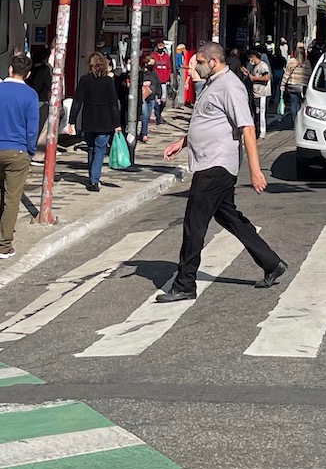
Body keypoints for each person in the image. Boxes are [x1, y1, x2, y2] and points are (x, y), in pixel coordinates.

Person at [156, 41, 287, 301]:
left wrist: (255, 170)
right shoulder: (213, 83)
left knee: (194, 224)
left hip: (215, 165)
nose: (195, 67)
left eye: (199, 62)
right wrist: (182, 142)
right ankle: (271, 262)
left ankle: (184, 284)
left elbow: (247, 127)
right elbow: (208, 121)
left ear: (213, 61)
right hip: (208, 161)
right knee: (228, 217)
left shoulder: (230, 86)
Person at [0, 53, 44, 258]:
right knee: (12, 198)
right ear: (28, 74)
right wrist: (31, 149)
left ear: (9, 69)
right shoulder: (30, 95)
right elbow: (32, 127)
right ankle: (4, 245)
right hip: (18, 150)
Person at [68, 51, 125, 191]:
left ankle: (92, 177)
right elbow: (113, 104)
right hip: (105, 121)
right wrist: (117, 124)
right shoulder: (108, 82)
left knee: (91, 148)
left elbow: (77, 102)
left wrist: (72, 121)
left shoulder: (84, 80)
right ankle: (94, 180)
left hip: (89, 120)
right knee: (100, 149)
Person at [246, 48, 273, 130]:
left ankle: (262, 132)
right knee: (256, 113)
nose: (249, 61)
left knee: (261, 114)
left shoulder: (263, 65)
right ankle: (257, 130)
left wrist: (254, 78)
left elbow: (266, 77)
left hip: (263, 93)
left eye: (250, 58)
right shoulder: (254, 67)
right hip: (256, 93)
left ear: (253, 57)